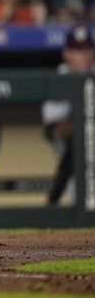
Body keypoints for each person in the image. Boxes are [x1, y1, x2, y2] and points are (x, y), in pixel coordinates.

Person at [41, 24, 95, 205]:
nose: (85, 56)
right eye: (78, 51)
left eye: (88, 50)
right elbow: (60, 130)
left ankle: (52, 200)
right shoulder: (58, 80)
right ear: (67, 54)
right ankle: (52, 200)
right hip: (75, 164)